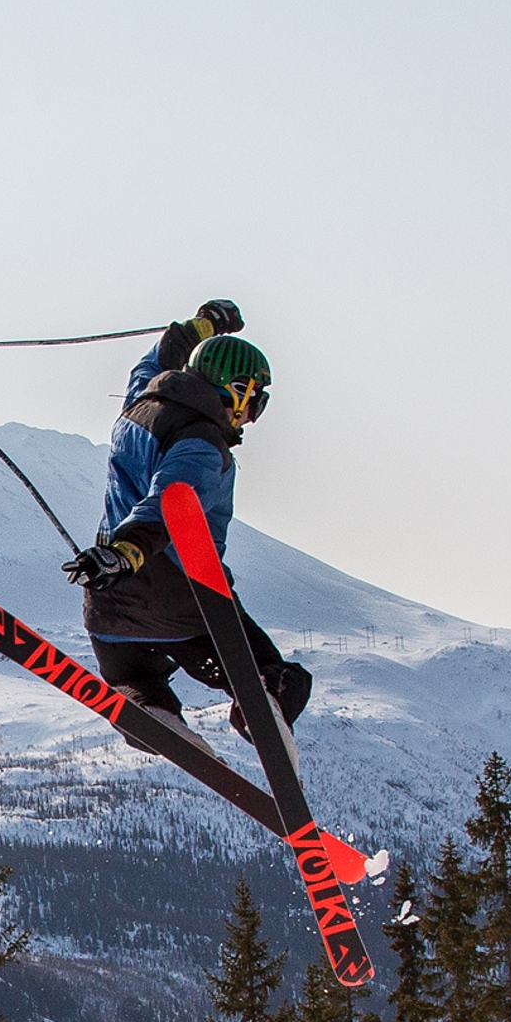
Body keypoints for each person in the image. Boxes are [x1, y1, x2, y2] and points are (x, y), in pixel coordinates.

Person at [64, 301, 313, 746]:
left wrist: (206, 324)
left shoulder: (140, 400)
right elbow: (173, 500)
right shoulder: (201, 441)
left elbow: (160, 355)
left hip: (107, 606)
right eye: (256, 401)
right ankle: (262, 705)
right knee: (277, 674)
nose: (250, 417)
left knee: (132, 679)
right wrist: (129, 551)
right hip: (179, 596)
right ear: (237, 390)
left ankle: (150, 710)